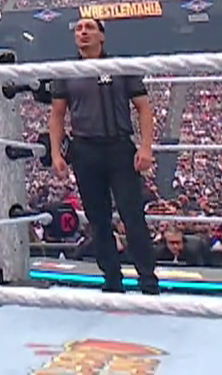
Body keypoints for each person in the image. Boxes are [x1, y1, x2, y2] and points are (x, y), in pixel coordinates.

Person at [48, 18, 159, 294]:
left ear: (102, 36)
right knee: (98, 220)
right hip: (85, 150)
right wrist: (56, 153)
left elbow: (144, 107)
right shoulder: (66, 71)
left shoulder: (120, 67)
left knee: (132, 216)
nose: (83, 32)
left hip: (119, 148)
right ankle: (112, 280)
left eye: (89, 28)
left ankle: (148, 280)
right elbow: (57, 115)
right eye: (78, 29)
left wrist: (146, 147)